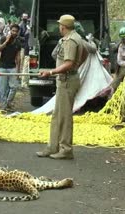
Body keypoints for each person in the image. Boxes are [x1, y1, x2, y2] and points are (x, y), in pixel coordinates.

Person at [36, 14, 88, 160]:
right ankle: (53, 146)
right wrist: (77, 65)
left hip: (67, 81)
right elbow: (84, 53)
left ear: (62, 26)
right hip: (64, 80)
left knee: (64, 117)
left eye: (59, 25)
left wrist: (51, 72)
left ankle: (66, 149)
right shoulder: (75, 37)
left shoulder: (71, 40)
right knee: (56, 115)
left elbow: (69, 63)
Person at [0, 24, 21, 111]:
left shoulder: (18, 42)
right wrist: (6, 41)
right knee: (3, 88)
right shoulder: (3, 38)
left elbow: (18, 57)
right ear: (10, 30)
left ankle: (9, 102)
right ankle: (3, 106)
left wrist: (19, 70)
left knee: (14, 87)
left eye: (16, 31)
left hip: (12, 67)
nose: (14, 33)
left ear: (18, 33)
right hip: (2, 67)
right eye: (13, 31)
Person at [18, 13, 30, 88]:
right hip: (23, 46)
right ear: (22, 17)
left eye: (26, 17)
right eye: (24, 17)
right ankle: (21, 78)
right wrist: (25, 39)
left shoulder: (27, 25)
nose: (25, 18)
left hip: (26, 46)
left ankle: (22, 78)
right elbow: (18, 36)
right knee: (22, 63)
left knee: (24, 63)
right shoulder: (20, 25)